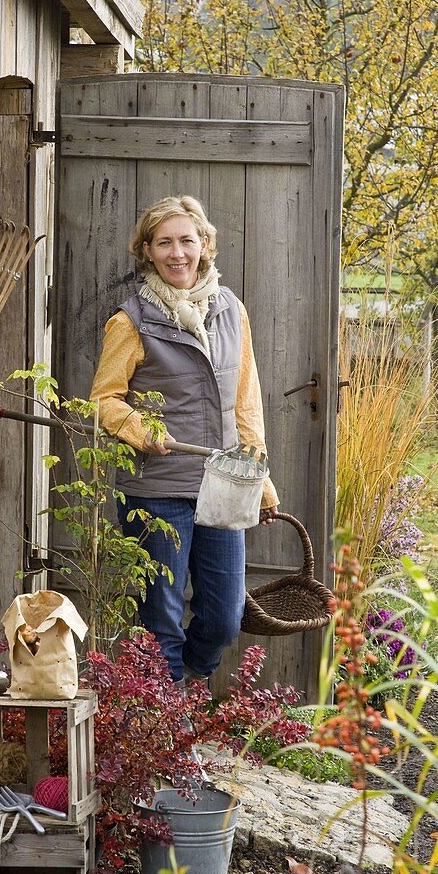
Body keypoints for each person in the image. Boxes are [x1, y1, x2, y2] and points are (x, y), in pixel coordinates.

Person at [90, 195, 279, 684]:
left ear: (205, 245)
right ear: (147, 251)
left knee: (224, 617)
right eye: (165, 243)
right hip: (157, 488)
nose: (177, 253)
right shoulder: (131, 320)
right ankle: (168, 727)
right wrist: (143, 429)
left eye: (187, 241)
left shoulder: (231, 311)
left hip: (224, 486)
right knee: (162, 620)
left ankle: (180, 693)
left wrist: (260, 477)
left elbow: (247, 401)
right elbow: (105, 400)